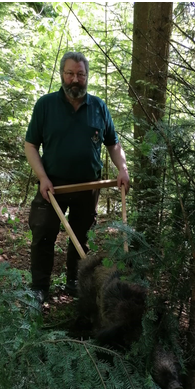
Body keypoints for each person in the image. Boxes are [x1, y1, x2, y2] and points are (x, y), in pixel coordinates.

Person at [25, 51, 130, 303]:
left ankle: (74, 281)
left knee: (80, 234)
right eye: (70, 73)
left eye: (80, 74)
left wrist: (122, 169)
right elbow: (31, 145)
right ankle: (39, 288)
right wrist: (42, 177)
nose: (75, 79)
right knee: (43, 232)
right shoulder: (46, 105)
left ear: (87, 76)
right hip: (53, 185)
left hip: (88, 185)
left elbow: (113, 143)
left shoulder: (98, 107)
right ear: (62, 74)